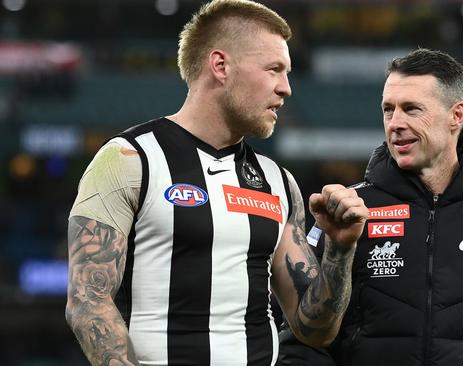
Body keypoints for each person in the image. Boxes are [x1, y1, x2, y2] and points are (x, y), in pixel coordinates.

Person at [64, 1, 368, 365]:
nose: (286, 88)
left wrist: (340, 247)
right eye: (274, 70)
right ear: (221, 66)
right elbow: (88, 301)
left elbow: (314, 329)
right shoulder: (129, 160)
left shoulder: (278, 182)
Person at [279, 49, 463, 365]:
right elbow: (302, 342)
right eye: (388, 110)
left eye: (411, 109)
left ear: (456, 115)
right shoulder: (348, 213)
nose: (395, 124)